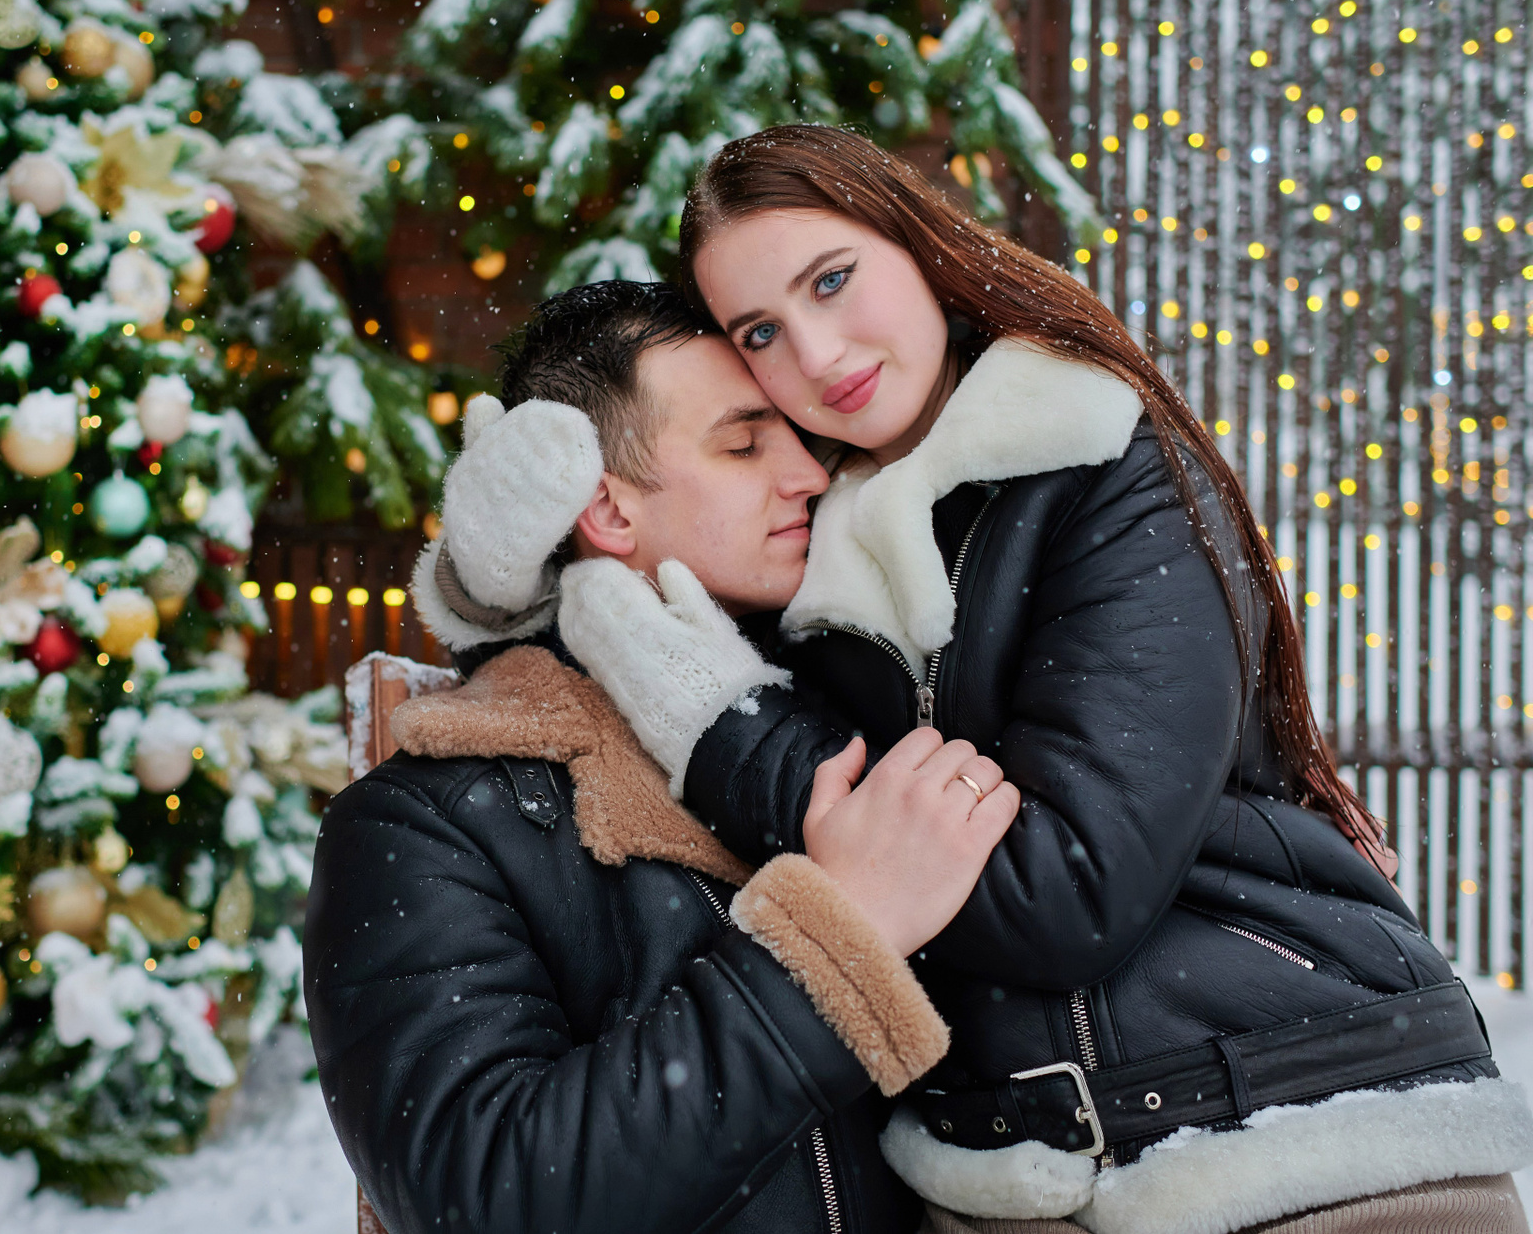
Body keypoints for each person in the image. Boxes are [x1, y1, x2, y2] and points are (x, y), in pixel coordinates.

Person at [425, 127, 1533, 1234]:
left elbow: (1066, 892)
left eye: (832, 280)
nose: (816, 352)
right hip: (1009, 1180)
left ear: (919, 245)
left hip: (1291, 1130)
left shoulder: (1099, 465)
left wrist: (732, 727)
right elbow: (613, 617)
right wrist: (494, 570)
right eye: (761, 330)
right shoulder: (807, 526)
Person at [304, 281, 1024, 1234]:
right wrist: (835, 936)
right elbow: (489, 1197)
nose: (808, 475)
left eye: (800, 438)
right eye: (744, 444)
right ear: (604, 507)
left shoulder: (856, 723)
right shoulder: (428, 824)